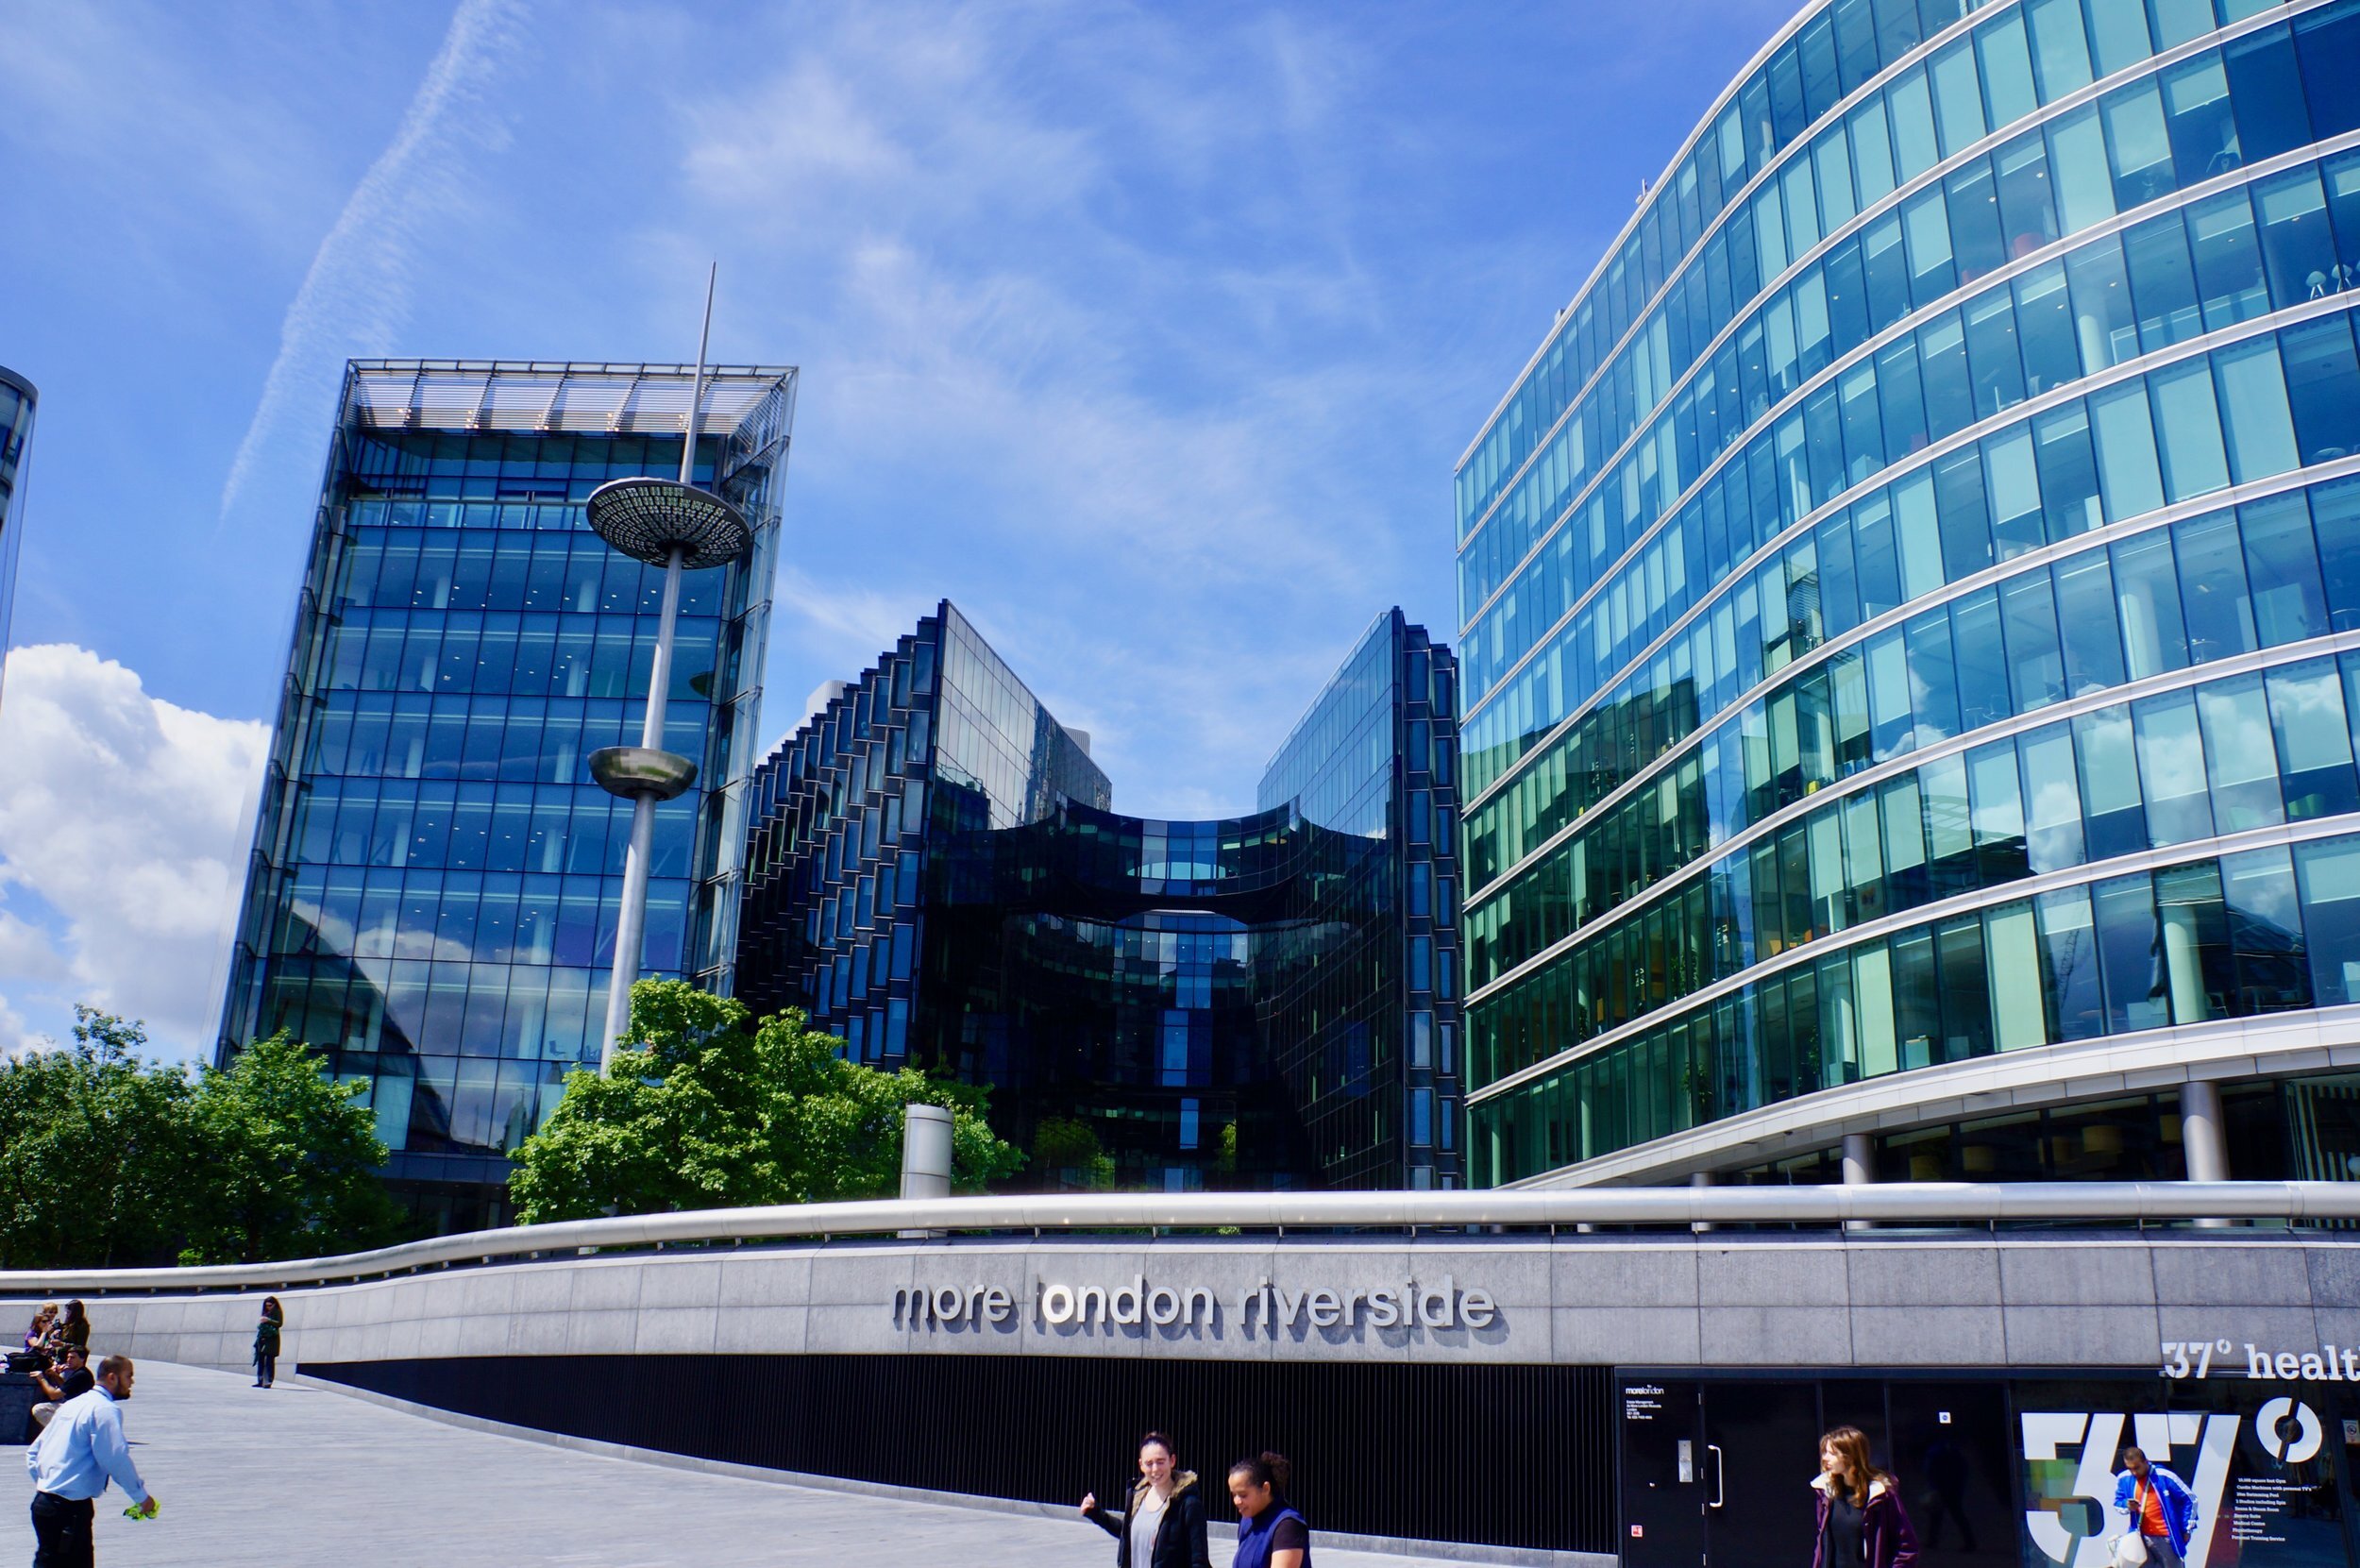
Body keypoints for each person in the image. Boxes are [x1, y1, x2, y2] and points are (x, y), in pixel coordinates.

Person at [25, 1354, 156, 1566]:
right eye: (129, 1376)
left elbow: (33, 1452)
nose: (132, 1381)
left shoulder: (72, 1404)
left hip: (44, 1504)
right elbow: (114, 1458)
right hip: (69, 1510)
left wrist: (47, 1484)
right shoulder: (105, 1410)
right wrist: (141, 1497)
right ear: (112, 1377)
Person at [1081, 1430, 1211, 1568]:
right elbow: (1129, 1535)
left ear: (1172, 1461)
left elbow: (1199, 1560)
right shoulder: (1138, 1496)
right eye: (1149, 1463)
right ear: (1141, 1465)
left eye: (1160, 1462)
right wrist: (1096, 1513)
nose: (1155, 1469)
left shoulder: (1188, 1504)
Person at [1811, 1425, 1919, 1568]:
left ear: (1851, 1456)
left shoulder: (1881, 1495)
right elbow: (1822, 1544)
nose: (1825, 1458)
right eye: (1824, 1452)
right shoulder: (1826, 1493)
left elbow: (1906, 1547)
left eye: (1832, 1453)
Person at [2114, 1445, 2197, 1568]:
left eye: (2137, 1468)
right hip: (2140, 1538)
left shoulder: (2164, 1477)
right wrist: (2127, 1505)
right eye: (2130, 1469)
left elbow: (2190, 1500)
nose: (2134, 1472)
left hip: (2166, 1538)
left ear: (2145, 1462)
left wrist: (2186, 1529)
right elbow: (2117, 1503)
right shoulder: (2124, 1478)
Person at [1228, 1452, 1309, 1568]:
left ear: (1265, 1488)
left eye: (1243, 1495)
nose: (1236, 1501)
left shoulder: (1287, 1525)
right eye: (1234, 1495)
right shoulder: (1247, 1520)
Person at [29, 1347, 93, 1430]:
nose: (68, 1360)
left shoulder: (81, 1375)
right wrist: (55, 1375)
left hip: (77, 1410)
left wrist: (41, 1379)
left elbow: (54, 1395)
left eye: (72, 1358)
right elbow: (66, 1387)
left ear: (82, 1359)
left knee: (39, 1409)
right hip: (77, 1407)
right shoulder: (82, 1372)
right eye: (68, 1357)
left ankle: (61, 1431)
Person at [253, 1297, 284, 1389]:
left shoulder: (277, 1311)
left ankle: (268, 1381)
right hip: (263, 1338)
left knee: (270, 1361)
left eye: (270, 1305)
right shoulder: (265, 1311)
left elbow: (279, 1323)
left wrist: (268, 1320)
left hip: (272, 1339)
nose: (268, 1307)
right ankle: (260, 1380)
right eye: (266, 1306)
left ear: (274, 1304)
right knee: (261, 1359)